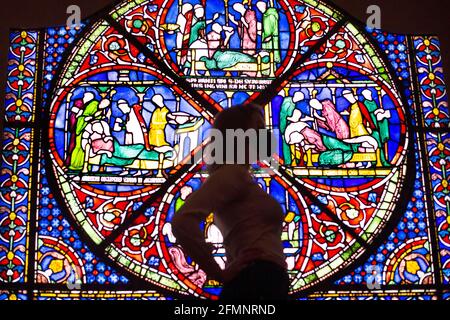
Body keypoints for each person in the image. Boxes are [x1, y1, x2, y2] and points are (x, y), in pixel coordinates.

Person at [172, 104, 289, 300]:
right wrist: (217, 273)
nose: (265, 135)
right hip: (256, 279)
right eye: (258, 128)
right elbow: (182, 221)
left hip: (263, 278)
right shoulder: (232, 173)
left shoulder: (239, 175)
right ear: (238, 135)